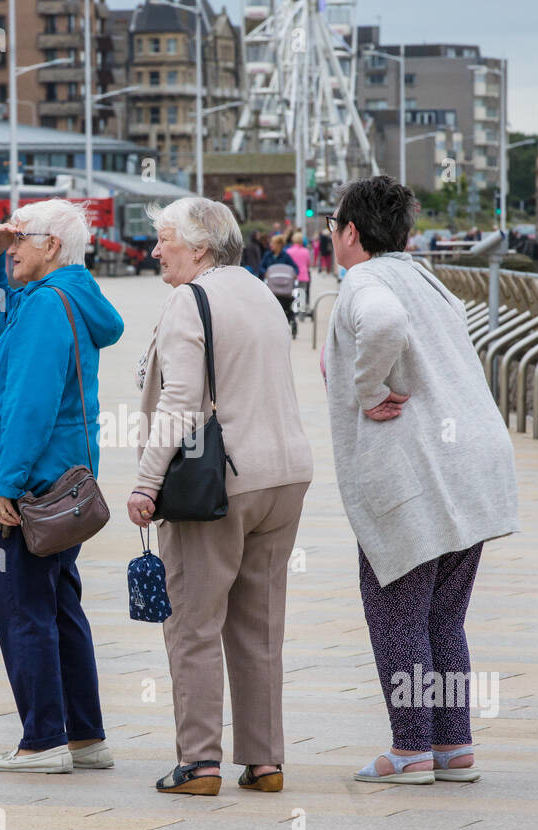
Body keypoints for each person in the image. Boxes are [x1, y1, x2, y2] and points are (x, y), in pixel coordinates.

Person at [323, 176, 519, 786]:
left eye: (334, 227)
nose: (332, 237)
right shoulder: (433, 283)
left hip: (417, 472)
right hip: (475, 465)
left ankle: (410, 750)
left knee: (397, 612)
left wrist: (369, 389)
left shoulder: (365, 282)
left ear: (351, 232)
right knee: (444, 618)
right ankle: (451, 744)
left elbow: (380, 325)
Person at [128, 197, 313, 795]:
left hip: (219, 483)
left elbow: (180, 402)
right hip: (283, 476)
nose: (156, 251)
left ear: (199, 248)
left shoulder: (190, 299)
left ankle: (200, 762)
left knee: (194, 622)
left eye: (164, 240)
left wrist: (146, 481)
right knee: (259, 626)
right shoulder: (260, 292)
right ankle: (264, 761)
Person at [0, 199, 125, 773]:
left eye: (22, 240)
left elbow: (28, 405)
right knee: (58, 604)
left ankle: (41, 739)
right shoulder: (64, 298)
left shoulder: (43, 309)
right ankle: (83, 734)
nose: (13, 249)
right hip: (64, 483)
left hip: (30, 485)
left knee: (23, 608)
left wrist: (4, 484)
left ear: (52, 246)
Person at [286, 229, 312, 305]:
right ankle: (301, 316)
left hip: (292, 277)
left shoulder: (288, 251)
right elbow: (308, 264)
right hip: (303, 276)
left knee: (292, 296)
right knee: (301, 297)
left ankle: (293, 313)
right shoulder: (306, 251)